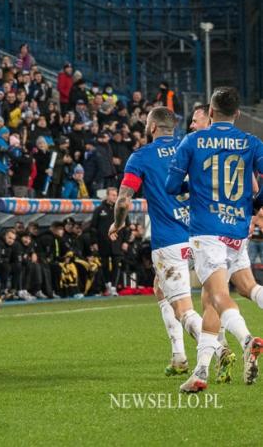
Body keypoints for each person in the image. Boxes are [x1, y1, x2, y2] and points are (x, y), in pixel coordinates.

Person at [111, 107, 234, 380]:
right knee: (159, 288)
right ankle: (178, 357)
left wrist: (118, 223)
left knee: (184, 310)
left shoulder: (140, 157)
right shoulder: (192, 148)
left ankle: (219, 348)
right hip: (202, 236)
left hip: (169, 241)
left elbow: (123, 199)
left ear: (152, 127)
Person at [166, 87, 263, 392]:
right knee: (237, 291)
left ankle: (247, 340)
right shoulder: (251, 142)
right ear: (237, 114)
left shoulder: (192, 141)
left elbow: (171, 186)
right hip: (236, 231)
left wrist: (192, 182)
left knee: (218, 296)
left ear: (209, 111)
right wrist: (254, 207)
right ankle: (200, 372)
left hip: (207, 231)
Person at [89, 188, 122, 296]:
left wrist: (126, 241)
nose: (114, 197)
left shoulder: (119, 209)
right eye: (112, 195)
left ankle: (113, 286)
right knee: (105, 265)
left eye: (116, 195)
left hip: (117, 243)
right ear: (107, 196)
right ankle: (107, 284)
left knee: (117, 264)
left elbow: (125, 225)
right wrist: (94, 242)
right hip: (103, 242)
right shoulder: (99, 210)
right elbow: (93, 227)